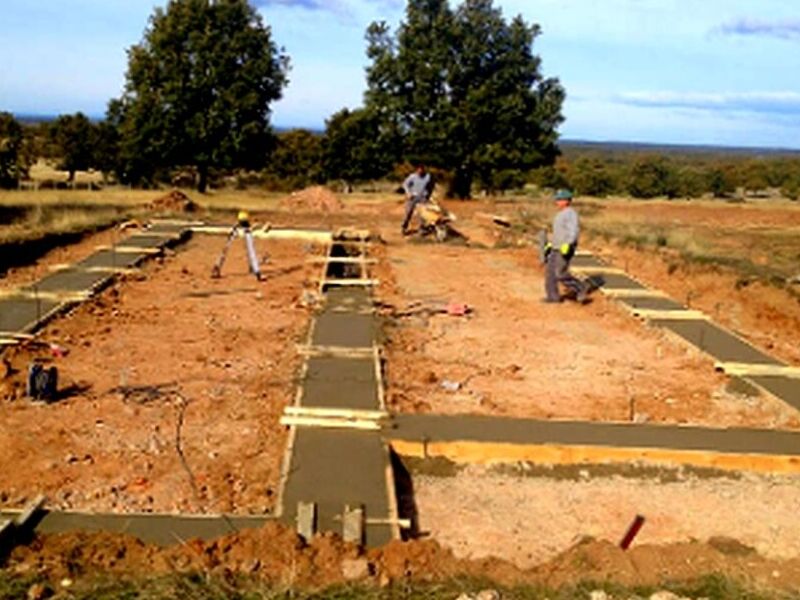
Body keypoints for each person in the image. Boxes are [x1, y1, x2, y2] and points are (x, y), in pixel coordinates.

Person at [543, 189, 588, 303]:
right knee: (550, 273)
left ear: (567, 201)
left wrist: (569, 243)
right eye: (557, 199)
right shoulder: (560, 214)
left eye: (559, 199)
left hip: (564, 248)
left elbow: (573, 231)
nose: (557, 202)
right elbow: (558, 231)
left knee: (560, 273)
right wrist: (550, 243)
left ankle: (580, 288)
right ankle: (553, 297)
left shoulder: (571, 214)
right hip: (555, 247)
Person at [401, 163, 433, 234]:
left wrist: (428, 195)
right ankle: (404, 227)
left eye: (422, 170)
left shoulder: (428, 177)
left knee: (423, 214)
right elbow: (405, 184)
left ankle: (422, 228)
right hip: (413, 197)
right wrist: (408, 193)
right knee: (408, 212)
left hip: (422, 197)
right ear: (416, 170)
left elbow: (431, 186)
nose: (420, 171)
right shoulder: (412, 176)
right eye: (419, 170)